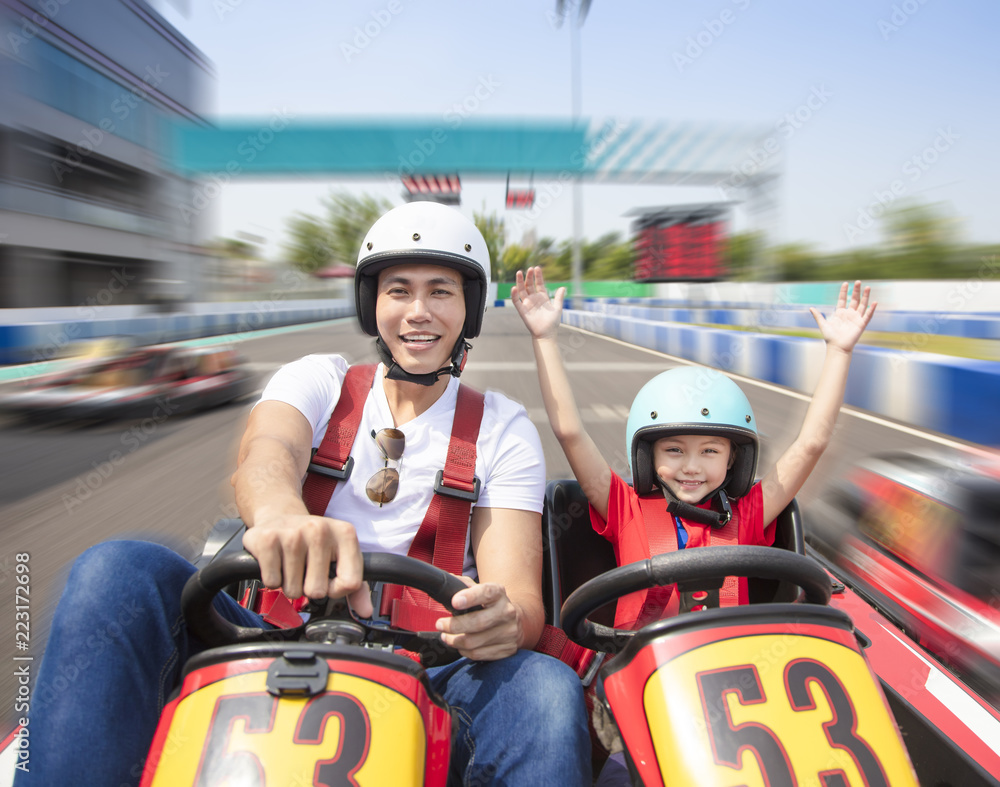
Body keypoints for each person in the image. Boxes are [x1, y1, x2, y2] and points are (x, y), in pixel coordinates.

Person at [19, 205, 591, 787]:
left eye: (441, 291)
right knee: (117, 568)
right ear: (372, 304)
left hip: (434, 663)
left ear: (469, 306)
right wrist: (281, 516)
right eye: (399, 290)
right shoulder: (318, 380)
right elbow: (267, 456)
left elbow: (519, 601)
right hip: (272, 637)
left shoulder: (502, 427)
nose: (418, 311)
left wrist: (500, 620)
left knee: (545, 690)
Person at [513, 266, 875, 784]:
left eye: (710, 451)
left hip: (739, 692)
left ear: (734, 462)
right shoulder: (626, 507)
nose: (690, 466)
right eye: (674, 450)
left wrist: (838, 352)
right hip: (637, 689)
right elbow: (569, 431)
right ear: (648, 458)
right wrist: (545, 336)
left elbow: (811, 444)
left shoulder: (750, 512)